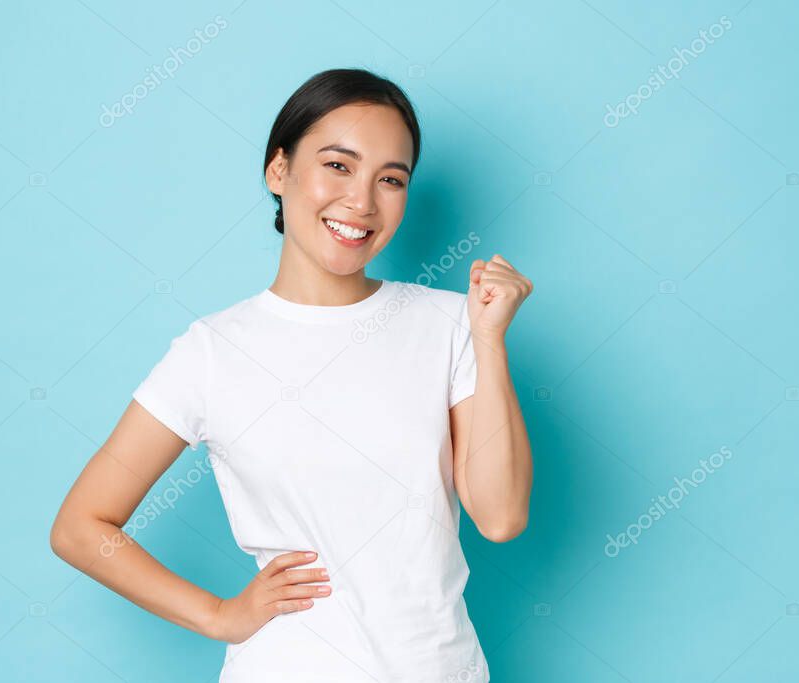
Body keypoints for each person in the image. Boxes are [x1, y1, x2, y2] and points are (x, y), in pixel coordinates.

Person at [50, 67, 534, 682]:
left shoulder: (452, 324)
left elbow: (500, 517)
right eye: (338, 165)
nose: (362, 201)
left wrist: (489, 342)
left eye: (391, 179)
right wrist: (220, 615)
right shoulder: (213, 351)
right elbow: (80, 527)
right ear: (279, 171)